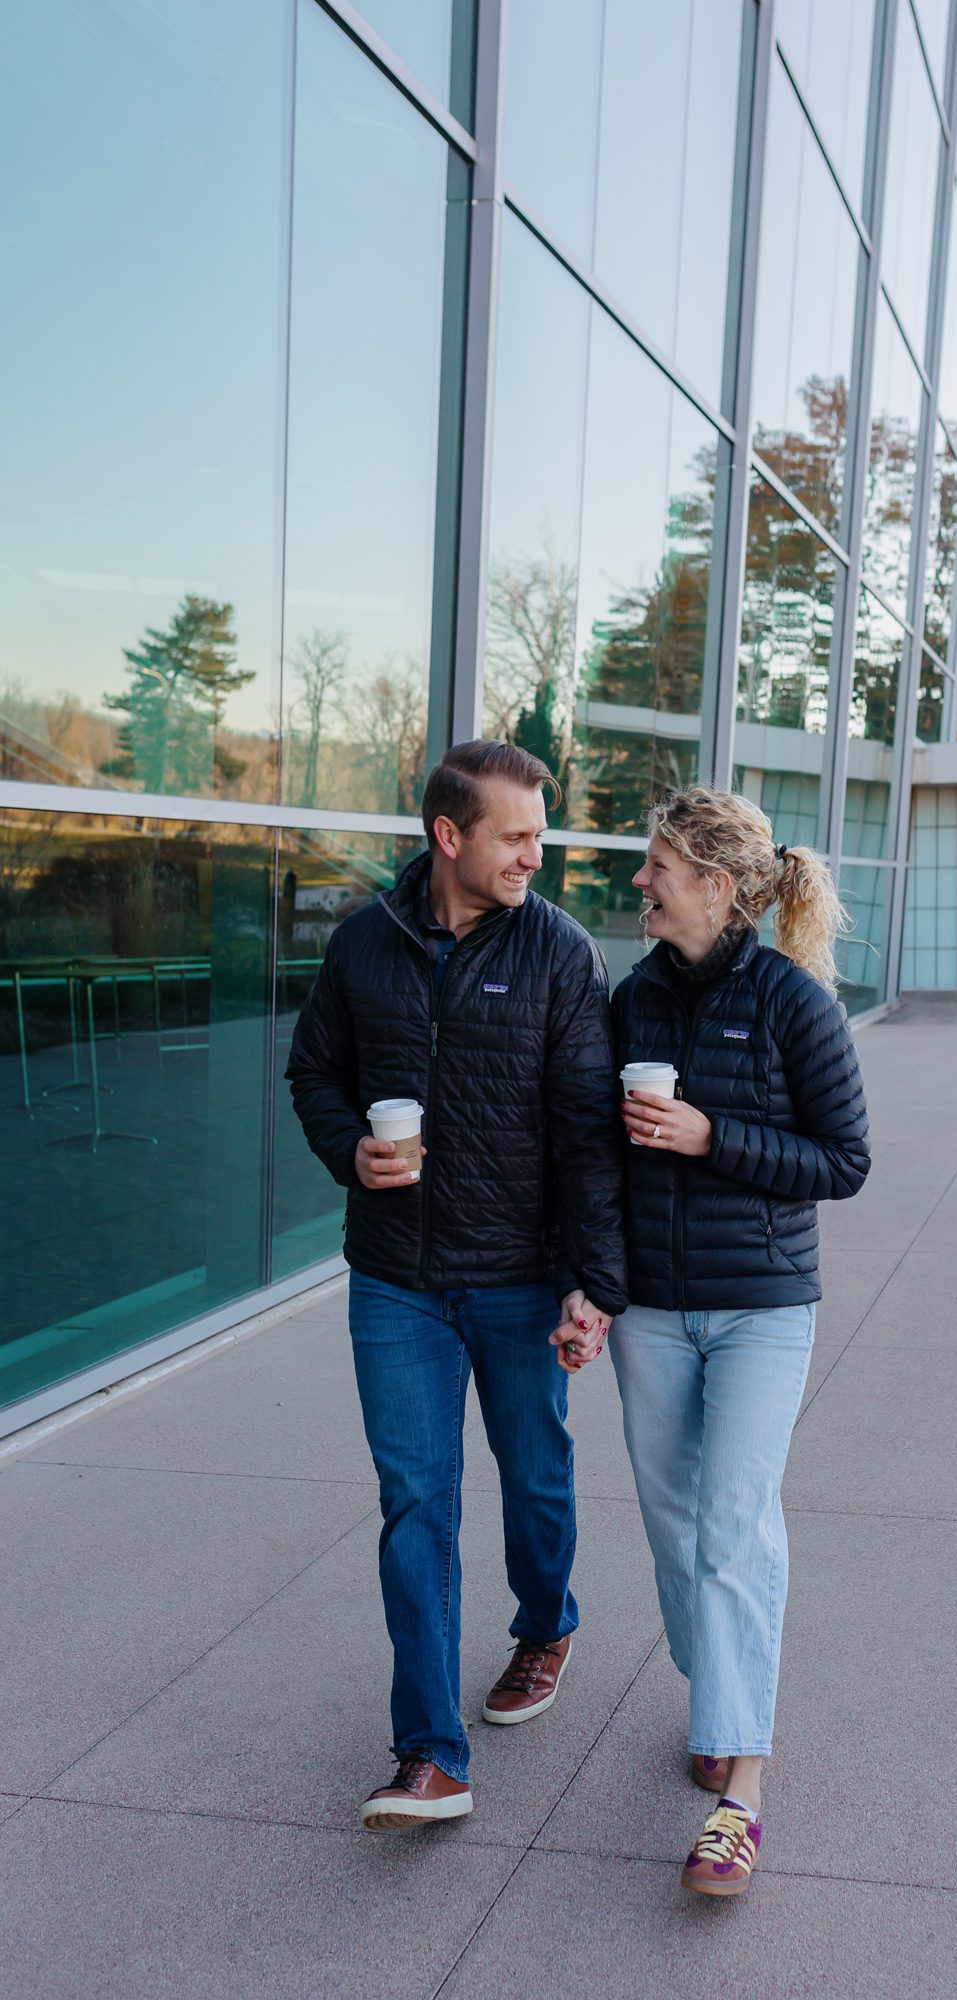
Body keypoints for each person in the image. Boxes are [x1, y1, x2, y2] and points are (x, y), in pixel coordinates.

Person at [286, 739, 626, 1833]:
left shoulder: (562, 955)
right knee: (415, 1503)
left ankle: (546, 1620)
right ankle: (431, 1751)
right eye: (517, 835)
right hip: (395, 1281)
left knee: (534, 1473)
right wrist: (351, 1150)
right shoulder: (360, 947)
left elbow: (585, 1133)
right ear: (450, 836)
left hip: (521, 1278)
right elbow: (315, 1073)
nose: (538, 853)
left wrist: (591, 1285)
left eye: (540, 833)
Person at [597, 785, 869, 1898]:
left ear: (716, 882)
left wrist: (714, 1137)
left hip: (762, 1302)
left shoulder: (795, 1003)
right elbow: (600, 1158)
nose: (640, 881)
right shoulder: (635, 998)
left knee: (733, 1521)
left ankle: (739, 1791)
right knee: (674, 1529)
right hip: (654, 1308)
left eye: (658, 863)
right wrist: (595, 1286)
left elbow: (842, 1161)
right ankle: (720, 1693)